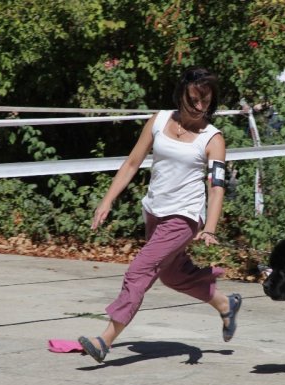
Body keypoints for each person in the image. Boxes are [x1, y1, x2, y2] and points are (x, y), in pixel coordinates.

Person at [78, 66, 242, 363]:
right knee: (171, 273)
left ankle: (104, 340)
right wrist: (106, 201)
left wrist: (211, 228)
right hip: (155, 210)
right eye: (194, 99)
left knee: (139, 271)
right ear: (182, 93)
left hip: (185, 217)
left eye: (206, 100)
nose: (200, 106)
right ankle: (224, 303)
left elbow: (216, 188)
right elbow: (131, 163)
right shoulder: (159, 120)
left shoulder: (212, 138)